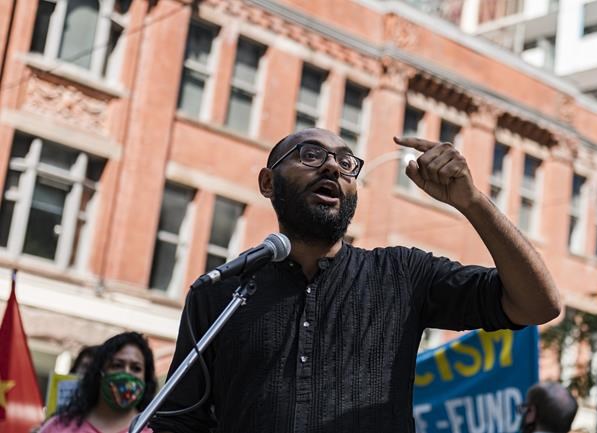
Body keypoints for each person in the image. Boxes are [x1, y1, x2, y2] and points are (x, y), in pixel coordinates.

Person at [150, 128, 561, 433]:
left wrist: (472, 202)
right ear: (268, 182)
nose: (332, 166)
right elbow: (178, 421)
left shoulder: (404, 275)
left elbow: (539, 305)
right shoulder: (220, 294)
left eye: (346, 163)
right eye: (310, 155)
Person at [40, 332, 157, 433]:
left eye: (136, 368)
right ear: (99, 372)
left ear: (145, 378)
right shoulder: (59, 426)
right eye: (117, 365)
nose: (127, 373)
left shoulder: (152, 430)